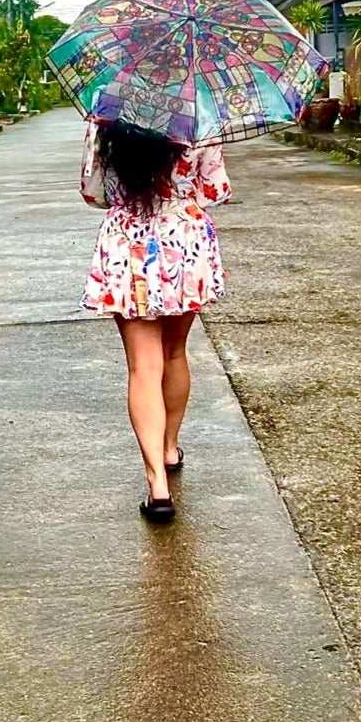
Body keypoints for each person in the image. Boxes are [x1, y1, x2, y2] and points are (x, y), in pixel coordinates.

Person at [80, 117, 232, 523]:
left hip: (128, 246)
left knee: (142, 367)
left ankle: (157, 486)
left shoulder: (105, 118)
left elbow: (92, 194)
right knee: (175, 353)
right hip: (185, 244)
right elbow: (216, 190)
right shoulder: (203, 116)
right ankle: (170, 447)